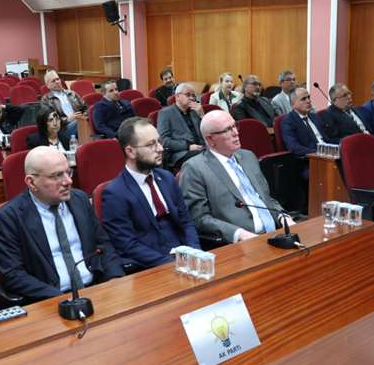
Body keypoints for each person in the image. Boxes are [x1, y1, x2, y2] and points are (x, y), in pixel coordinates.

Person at [0, 147, 124, 302]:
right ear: (31, 182)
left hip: (98, 290)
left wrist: (115, 279)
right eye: (57, 176)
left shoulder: (80, 200)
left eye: (68, 172)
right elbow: (13, 274)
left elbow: (104, 246)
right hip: (50, 300)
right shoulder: (10, 217)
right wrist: (62, 299)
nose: (68, 181)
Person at [100, 117, 200, 269]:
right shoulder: (115, 193)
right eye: (151, 144)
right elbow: (127, 245)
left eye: (159, 141)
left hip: (186, 257)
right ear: (130, 151)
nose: (160, 148)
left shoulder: (167, 178)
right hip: (153, 266)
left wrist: (195, 252)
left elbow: (186, 222)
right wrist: (171, 264)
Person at [178, 110, 291, 243]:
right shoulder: (195, 168)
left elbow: (265, 197)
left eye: (234, 126)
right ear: (210, 139)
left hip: (276, 232)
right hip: (241, 242)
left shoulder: (248, 156)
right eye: (227, 130)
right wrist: (238, 233)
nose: (236, 133)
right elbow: (199, 218)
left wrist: (283, 217)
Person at [157, 83, 205, 172]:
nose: (192, 98)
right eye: (188, 95)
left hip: (201, 148)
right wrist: (188, 146)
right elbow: (163, 140)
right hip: (180, 153)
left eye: (193, 95)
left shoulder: (195, 111)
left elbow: (207, 132)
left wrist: (202, 115)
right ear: (177, 96)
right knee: (203, 156)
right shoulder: (166, 113)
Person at [40, 70, 86, 139]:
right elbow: (50, 120)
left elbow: (85, 107)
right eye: (53, 81)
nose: (57, 82)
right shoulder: (46, 99)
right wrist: (68, 119)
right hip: (63, 127)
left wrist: (84, 115)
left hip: (80, 120)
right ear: (48, 85)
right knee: (80, 122)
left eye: (57, 79)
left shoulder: (72, 93)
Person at [280, 87, 325, 157]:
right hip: (311, 157)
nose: (308, 101)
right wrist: (319, 152)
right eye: (303, 99)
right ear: (293, 104)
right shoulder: (288, 122)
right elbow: (294, 147)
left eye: (308, 97)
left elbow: (327, 138)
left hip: (328, 152)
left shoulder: (314, 117)